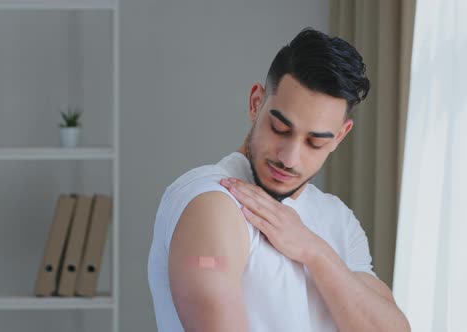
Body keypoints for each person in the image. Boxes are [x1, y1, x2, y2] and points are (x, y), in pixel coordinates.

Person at [147, 27, 410, 332]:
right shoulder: (212, 200)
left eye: (315, 142)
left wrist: (315, 251)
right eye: (280, 129)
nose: (290, 158)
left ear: (340, 136)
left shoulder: (337, 218)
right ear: (256, 103)